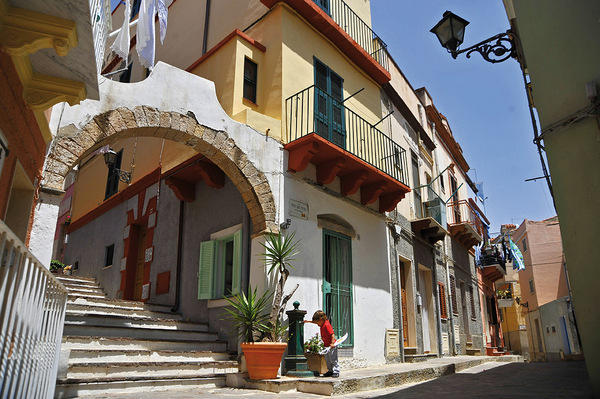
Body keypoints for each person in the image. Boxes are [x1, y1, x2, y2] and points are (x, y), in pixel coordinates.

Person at [304, 310, 339, 377]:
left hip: (332, 346)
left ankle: (336, 371)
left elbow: (332, 334)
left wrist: (332, 344)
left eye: (317, 322)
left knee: (333, 359)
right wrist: (308, 321)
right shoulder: (322, 324)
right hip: (326, 346)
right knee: (327, 359)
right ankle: (330, 371)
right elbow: (315, 322)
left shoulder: (326, 325)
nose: (317, 324)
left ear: (321, 319)